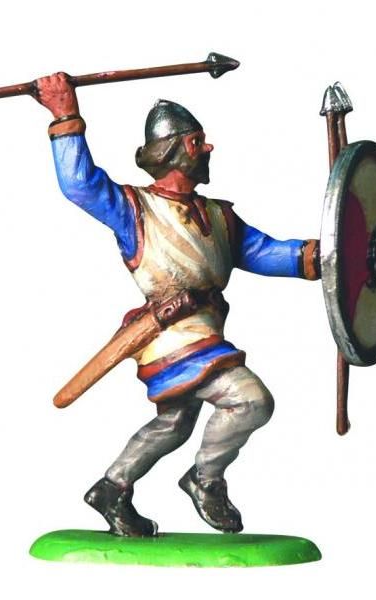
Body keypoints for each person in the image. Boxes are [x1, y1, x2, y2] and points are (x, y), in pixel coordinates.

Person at [35, 73, 320, 536]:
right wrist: (66, 115)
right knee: (250, 400)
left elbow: (266, 252)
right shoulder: (135, 209)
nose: (207, 148)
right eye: (196, 141)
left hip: (203, 332)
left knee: (175, 423)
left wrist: (322, 256)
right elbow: (80, 185)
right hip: (172, 336)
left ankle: (111, 487)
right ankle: (205, 480)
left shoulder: (219, 217)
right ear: (173, 151)